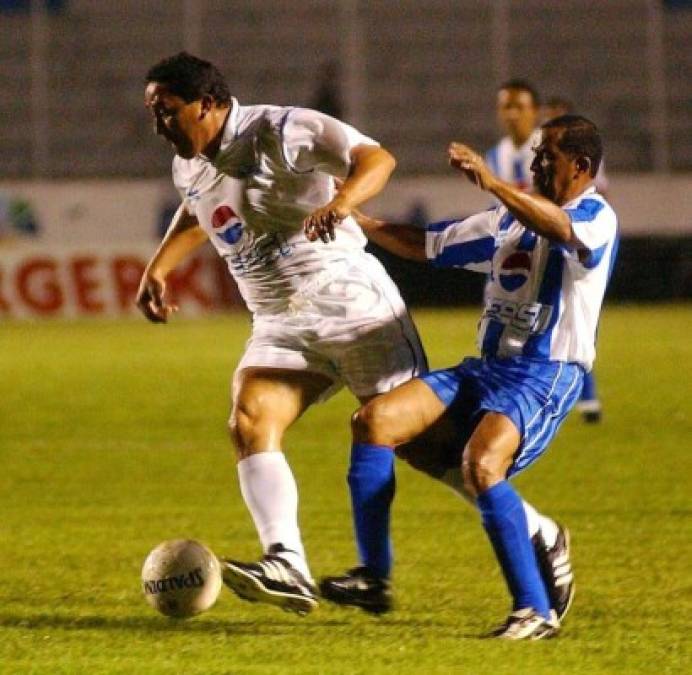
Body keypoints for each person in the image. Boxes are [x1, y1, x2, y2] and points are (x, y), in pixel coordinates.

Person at [137, 52, 426, 615]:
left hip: (351, 305)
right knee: (249, 419)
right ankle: (287, 562)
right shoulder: (188, 162)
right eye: (153, 113)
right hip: (279, 319)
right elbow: (198, 212)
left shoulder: (283, 128)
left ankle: (534, 533)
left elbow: (376, 158)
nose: (159, 124)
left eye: (168, 111)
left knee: (425, 447)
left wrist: (342, 201)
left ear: (210, 104)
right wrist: (159, 267)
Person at [321, 115, 618, 639]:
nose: (536, 162)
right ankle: (374, 577)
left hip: (543, 376)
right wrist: (355, 218)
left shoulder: (596, 215)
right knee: (376, 422)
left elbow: (563, 230)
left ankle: (536, 613)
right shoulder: (508, 219)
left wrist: (493, 181)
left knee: (482, 465)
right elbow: (427, 244)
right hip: (485, 369)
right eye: (535, 153)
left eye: (547, 154)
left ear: (581, 166)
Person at [488, 82, 604, 423]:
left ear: (535, 111)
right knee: (516, 318)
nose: (511, 114)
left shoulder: (556, 147)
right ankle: (513, 390)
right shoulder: (498, 154)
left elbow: (588, 192)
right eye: (505, 106)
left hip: (566, 243)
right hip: (523, 247)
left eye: (519, 107)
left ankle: (587, 398)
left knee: (572, 319)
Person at [542, 96, 609, 422]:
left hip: (576, 236)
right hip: (538, 235)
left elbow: (599, 189)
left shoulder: (580, 149)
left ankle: (588, 400)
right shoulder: (523, 151)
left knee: (579, 320)